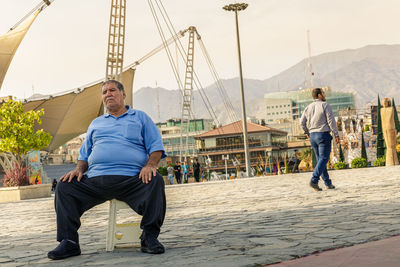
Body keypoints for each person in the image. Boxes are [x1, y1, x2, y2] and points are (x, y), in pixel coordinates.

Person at [47, 80, 166, 260]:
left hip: (132, 180)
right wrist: (78, 169)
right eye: (104, 92)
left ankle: (149, 237)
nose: (108, 94)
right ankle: (69, 242)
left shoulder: (140, 117)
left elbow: (155, 147)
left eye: (112, 90)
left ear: (123, 94)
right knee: (65, 186)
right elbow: (84, 154)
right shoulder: (96, 123)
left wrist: (150, 165)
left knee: (155, 180)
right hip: (96, 180)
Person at [300, 88, 340, 191]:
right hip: (323, 135)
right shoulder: (325, 105)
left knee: (320, 160)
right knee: (324, 158)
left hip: (313, 136)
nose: (324, 95)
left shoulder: (308, 107)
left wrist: (307, 132)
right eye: (323, 93)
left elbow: (302, 122)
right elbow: (331, 121)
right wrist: (336, 134)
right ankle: (314, 180)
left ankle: (327, 183)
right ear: (319, 95)